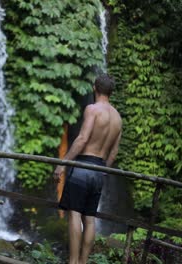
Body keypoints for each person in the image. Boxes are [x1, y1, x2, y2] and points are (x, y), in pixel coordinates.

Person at [53, 74, 122, 264]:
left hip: (83, 166)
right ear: (111, 92)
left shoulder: (92, 109)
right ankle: (83, 262)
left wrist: (63, 163)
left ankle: (73, 262)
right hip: (99, 169)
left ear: (95, 88)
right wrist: (101, 170)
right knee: (89, 219)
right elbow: (114, 151)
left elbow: (82, 139)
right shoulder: (118, 117)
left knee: (74, 213)